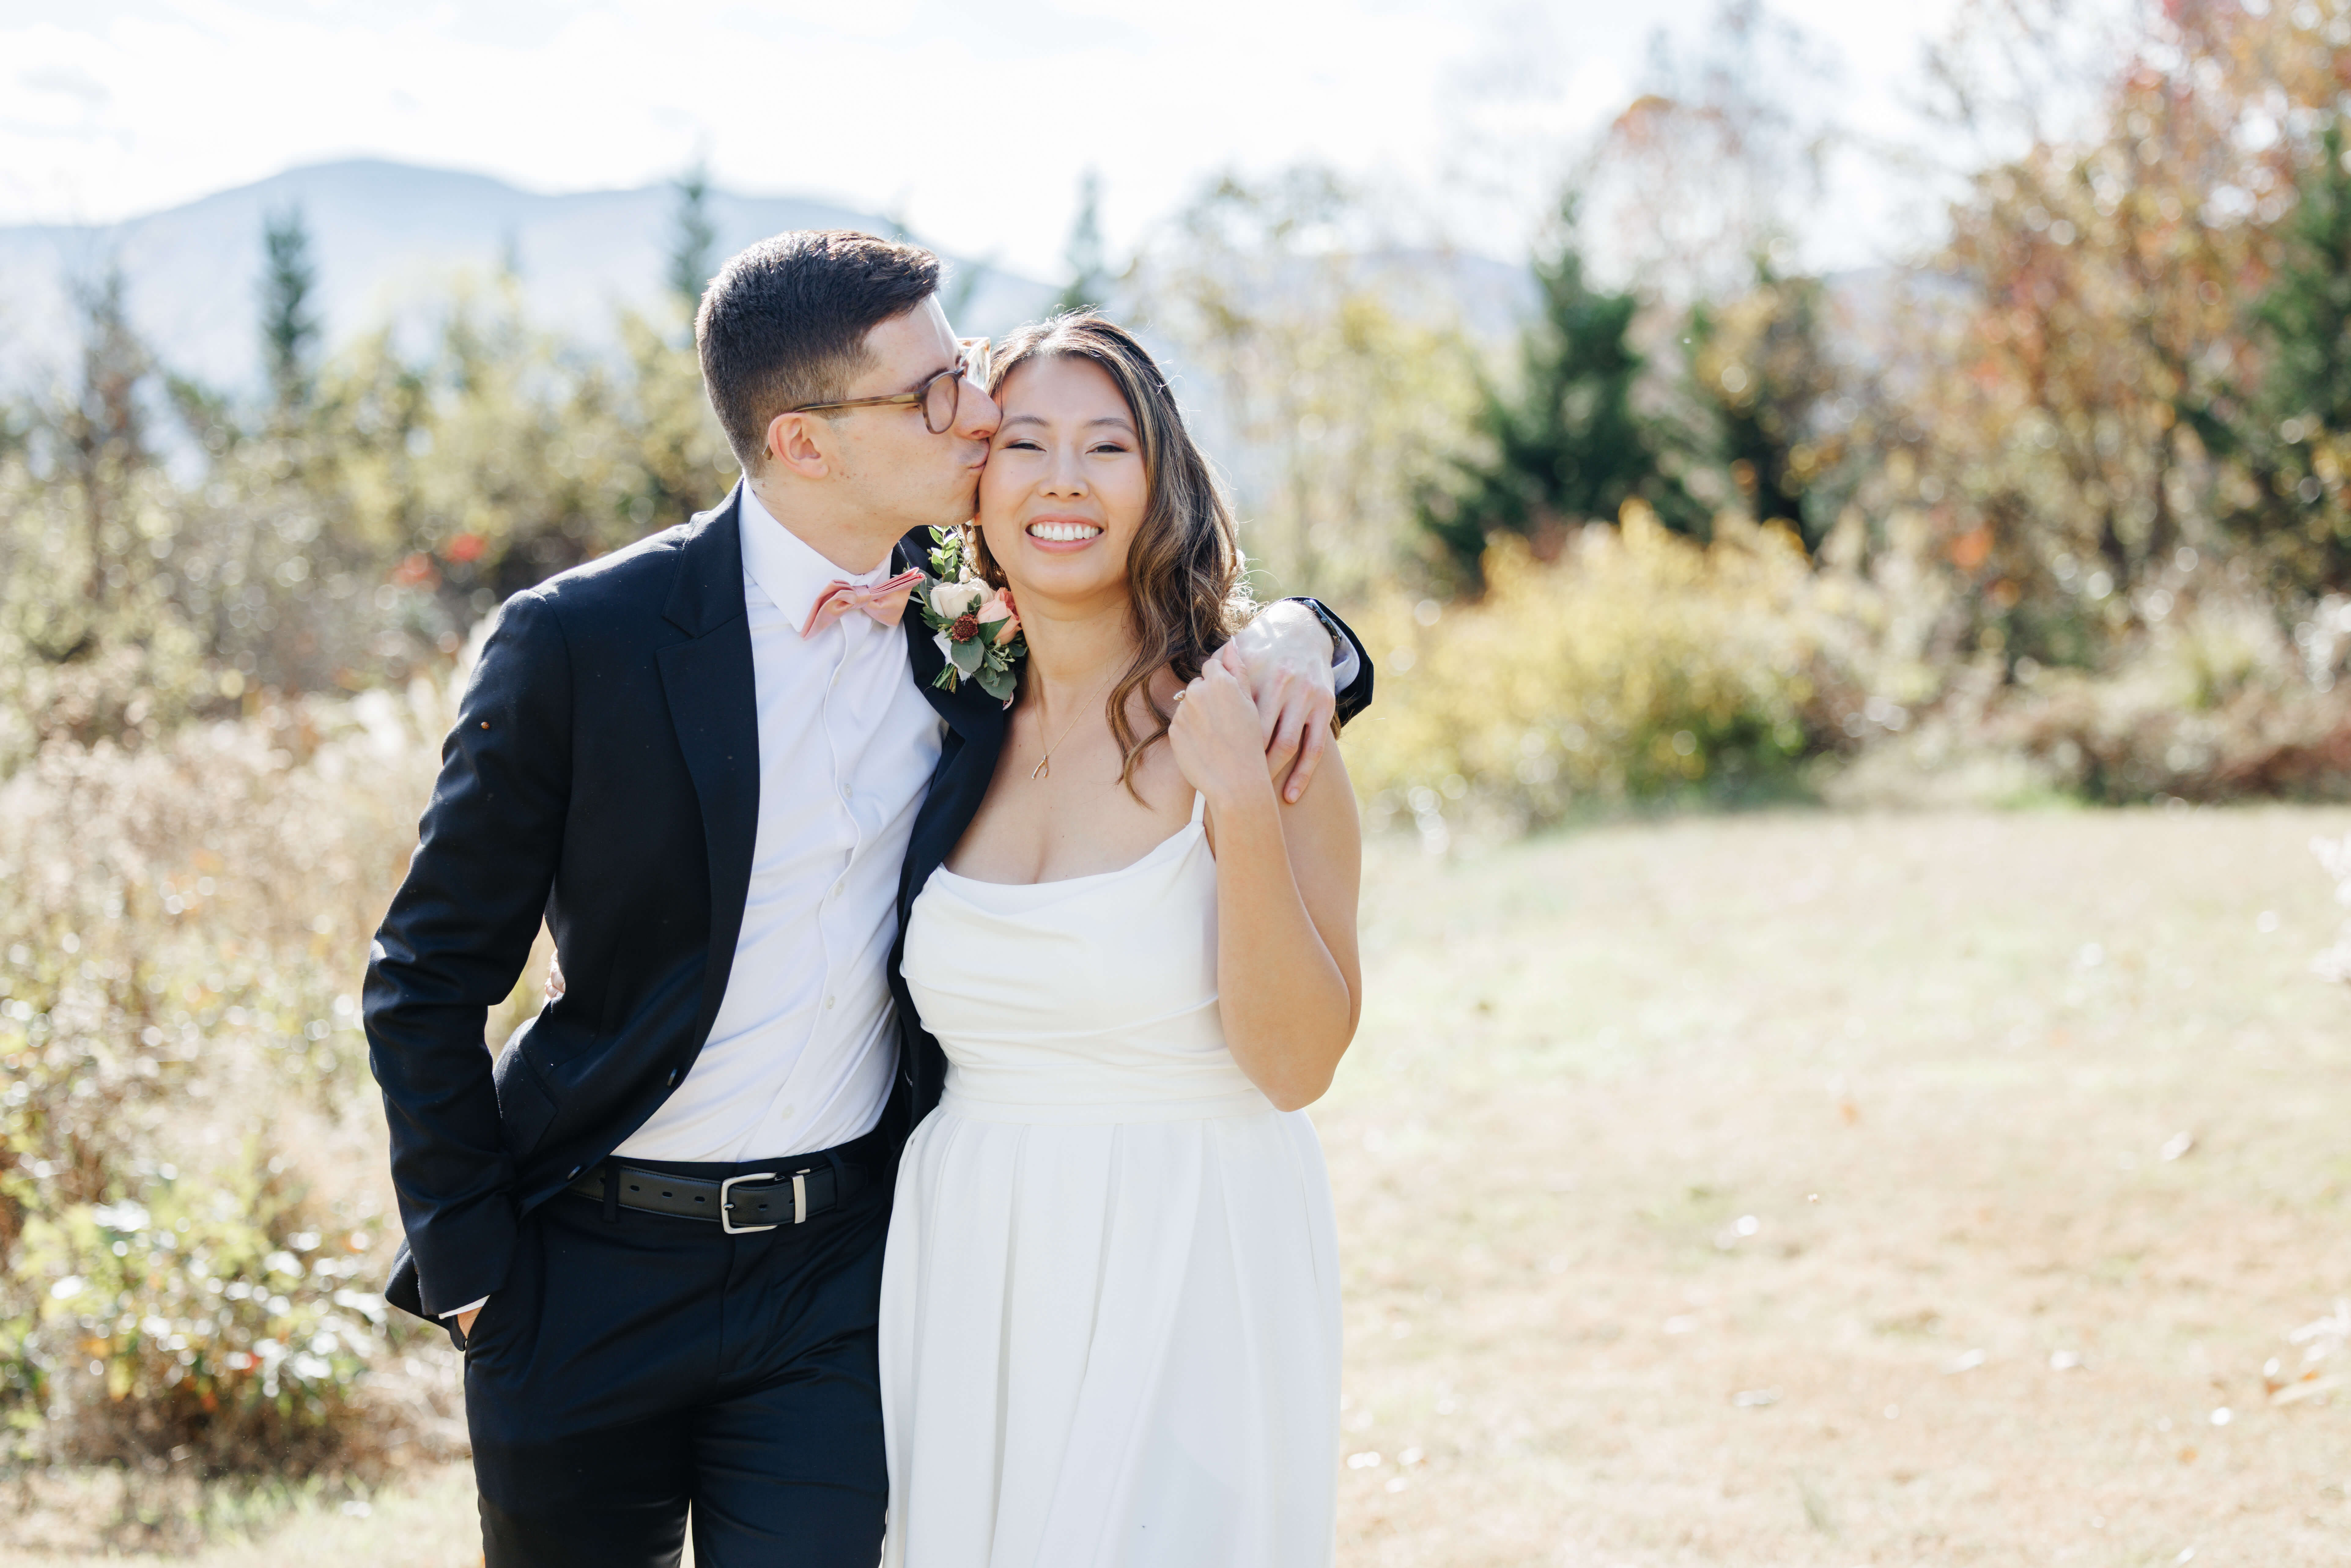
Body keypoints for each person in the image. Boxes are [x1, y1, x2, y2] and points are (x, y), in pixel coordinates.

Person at [362, 230, 1373, 1568]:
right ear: (805, 443)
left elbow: (1153, 631)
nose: (980, 416)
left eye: (966, 377)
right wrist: (476, 1273)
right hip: (586, 1271)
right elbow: (425, 973)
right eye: (938, 395)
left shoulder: (953, 642)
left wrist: (1312, 637)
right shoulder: (585, 640)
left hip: (841, 1281)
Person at [878, 315, 1362, 1566]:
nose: (1064, 480)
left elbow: (1299, 1064)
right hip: (973, 1256)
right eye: (1025, 441)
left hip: (1191, 1247)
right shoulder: (937, 719)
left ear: (1164, 488)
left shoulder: (1266, 718)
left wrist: (1242, 805)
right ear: (975, 487)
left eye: (1109, 446)